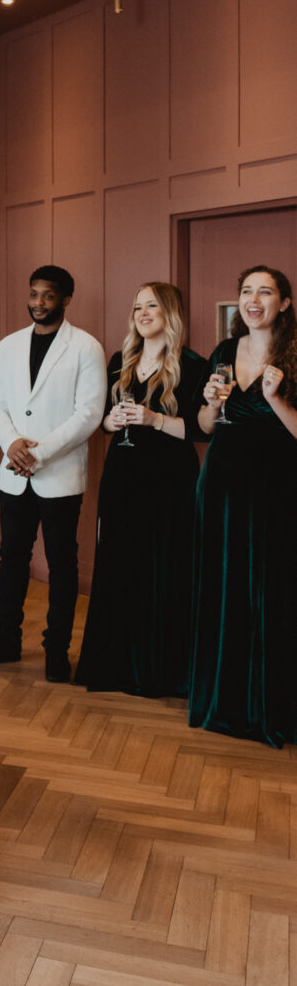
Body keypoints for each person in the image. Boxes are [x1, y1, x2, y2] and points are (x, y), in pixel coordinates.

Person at [0, 265, 105, 681]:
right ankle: (6, 639)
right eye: (34, 294)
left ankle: (56, 651)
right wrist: (11, 444)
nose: (38, 303)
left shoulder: (86, 347)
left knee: (62, 564)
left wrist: (38, 455)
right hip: (12, 471)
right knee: (13, 558)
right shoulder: (8, 346)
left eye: (48, 295)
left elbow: (90, 413)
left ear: (65, 299)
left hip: (58, 474)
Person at [75, 283, 205, 697]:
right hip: (124, 474)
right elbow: (102, 422)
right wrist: (112, 422)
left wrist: (153, 420)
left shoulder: (192, 364)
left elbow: (201, 433)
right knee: (120, 563)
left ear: (170, 313)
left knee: (164, 567)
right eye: (137, 307)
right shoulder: (121, 360)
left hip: (170, 479)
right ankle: (115, 664)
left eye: (151, 306)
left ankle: (159, 671)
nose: (143, 313)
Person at [190, 264, 297, 748]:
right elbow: (207, 426)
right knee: (226, 585)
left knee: (273, 589)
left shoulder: (295, 355)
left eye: (266, 292)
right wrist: (211, 404)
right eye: (247, 291)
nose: (254, 299)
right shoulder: (223, 352)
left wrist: (276, 399)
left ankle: (272, 706)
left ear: (285, 304)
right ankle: (226, 701)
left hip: (277, 487)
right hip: (223, 484)